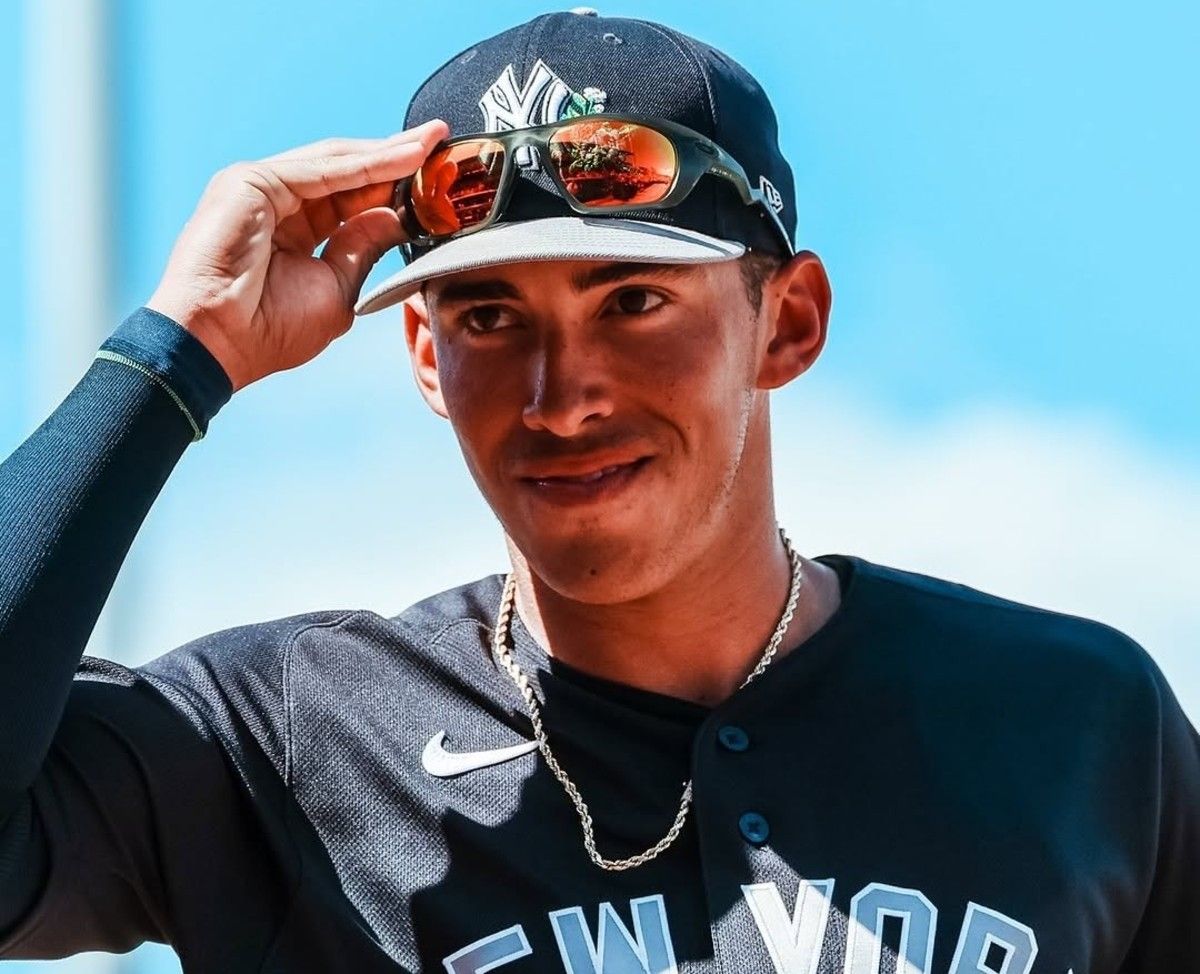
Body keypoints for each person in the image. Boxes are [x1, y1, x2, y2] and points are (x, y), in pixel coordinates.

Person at [0, 8, 1195, 973]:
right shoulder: (282, 737)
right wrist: (172, 357)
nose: (560, 397)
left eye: (633, 300)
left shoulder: (1078, 721)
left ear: (788, 322)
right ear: (425, 357)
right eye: (488, 315)